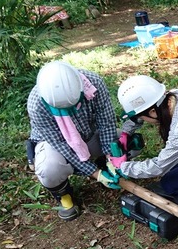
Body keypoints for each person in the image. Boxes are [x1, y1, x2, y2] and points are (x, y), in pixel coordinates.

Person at [27, 60, 128, 221]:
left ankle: (105, 165)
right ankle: (64, 195)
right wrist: (96, 174)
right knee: (49, 169)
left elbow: (106, 122)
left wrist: (111, 157)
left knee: (128, 144)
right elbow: (61, 145)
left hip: (89, 134)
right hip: (57, 145)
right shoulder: (36, 104)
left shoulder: (93, 83)